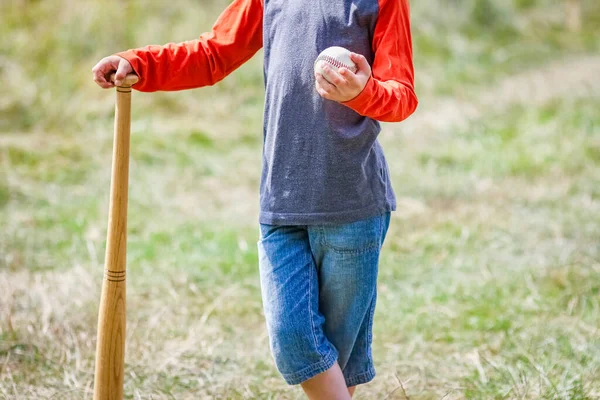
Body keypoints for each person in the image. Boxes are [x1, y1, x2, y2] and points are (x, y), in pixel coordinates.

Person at [92, 0, 417, 398]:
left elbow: (401, 95)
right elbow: (213, 53)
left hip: (352, 204)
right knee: (294, 340)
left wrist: (363, 92)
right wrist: (141, 63)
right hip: (281, 200)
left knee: (337, 365)